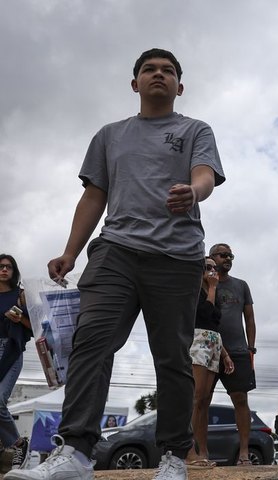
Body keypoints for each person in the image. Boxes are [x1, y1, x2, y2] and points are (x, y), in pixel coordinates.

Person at [7, 48, 225, 480]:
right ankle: (76, 452)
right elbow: (94, 195)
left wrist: (195, 192)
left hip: (177, 257)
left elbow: (205, 174)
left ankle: (173, 458)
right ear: (135, 84)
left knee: (172, 357)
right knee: (91, 341)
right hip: (114, 252)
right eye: (149, 70)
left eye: (167, 71)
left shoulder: (195, 129)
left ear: (180, 86)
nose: (157, 75)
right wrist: (70, 251)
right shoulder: (110, 135)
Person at [208, 243, 256, 465]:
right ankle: (199, 453)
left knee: (240, 399)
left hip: (237, 350)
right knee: (200, 399)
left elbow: (249, 318)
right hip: (208, 348)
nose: (227, 258)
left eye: (230, 255)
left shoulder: (241, 285)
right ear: (211, 258)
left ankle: (244, 453)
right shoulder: (203, 283)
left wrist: (251, 348)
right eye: (222, 254)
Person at [186, 257, 234, 468]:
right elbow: (203, 314)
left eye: (214, 268)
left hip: (213, 344)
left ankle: (202, 451)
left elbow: (214, 324)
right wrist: (212, 288)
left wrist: (225, 354)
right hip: (197, 342)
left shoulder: (212, 294)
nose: (212, 271)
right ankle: (189, 452)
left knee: (205, 401)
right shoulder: (194, 292)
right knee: (195, 399)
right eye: (207, 267)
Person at [0, 254, 33, 469]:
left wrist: (19, 318)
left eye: (8, 267)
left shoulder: (20, 295)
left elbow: (35, 326)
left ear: (14, 271)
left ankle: (18, 443)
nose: (3, 270)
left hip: (10, 351)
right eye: (0, 266)